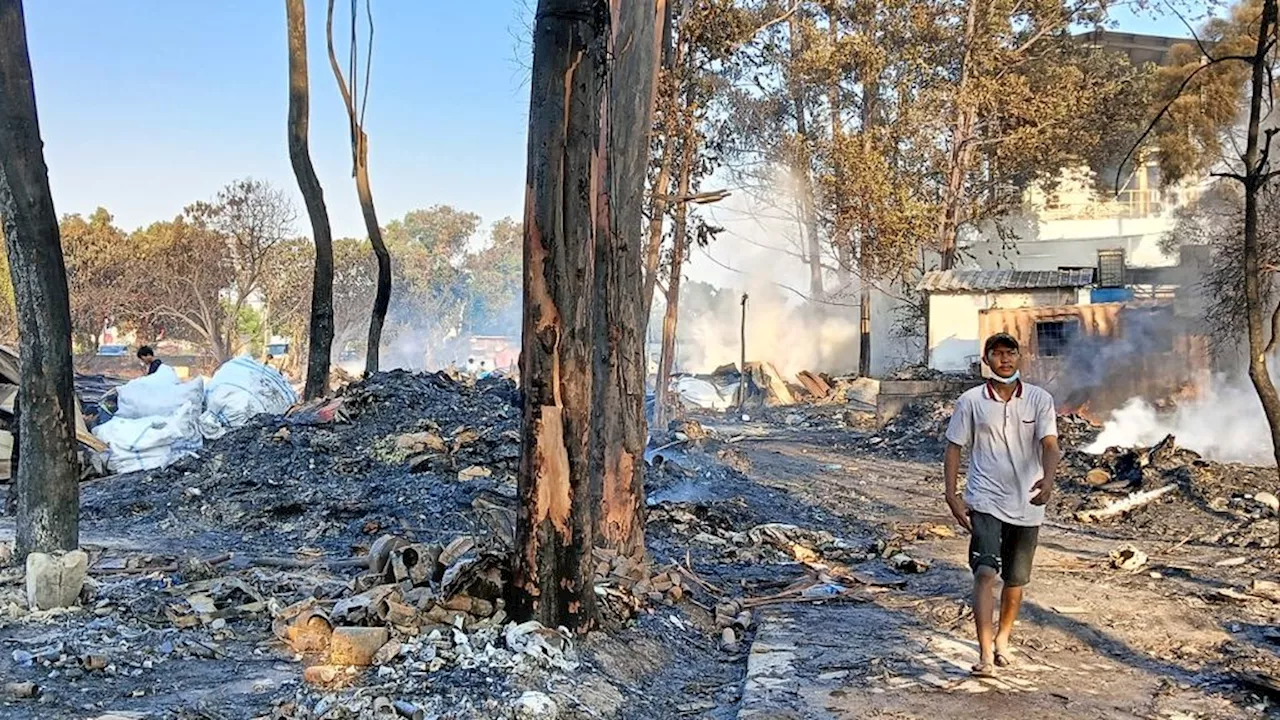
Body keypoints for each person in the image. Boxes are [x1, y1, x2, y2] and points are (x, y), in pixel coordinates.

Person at [943, 332, 1060, 678]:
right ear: (987, 360)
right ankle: (984, 655)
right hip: (985, 499)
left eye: (1010, 354)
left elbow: (1050, 445)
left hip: (1027, 502)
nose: (1004, 360)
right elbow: (954, 447)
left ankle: (1003, 639)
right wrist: (952, 495)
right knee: (985, 572)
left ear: (1019, 358)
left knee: (1015, 580)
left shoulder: (1039, 399)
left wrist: (1049, 480)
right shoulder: (971, 401)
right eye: (997, 354)